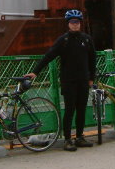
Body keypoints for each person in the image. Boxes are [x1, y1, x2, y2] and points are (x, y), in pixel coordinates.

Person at [25, 9, 96, 152]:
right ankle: (68, 139)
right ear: (68, 24)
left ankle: (80, 137)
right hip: (68, 81)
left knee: (81, 109)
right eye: (72, 22)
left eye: (77, 22)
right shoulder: (63, 40)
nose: (75, 24)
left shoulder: (87, 39)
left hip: (83, 80)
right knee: (69, 110)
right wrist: (35, 71)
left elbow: (92, 60)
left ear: (80, 23)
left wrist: (91, 78)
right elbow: (49, 55)